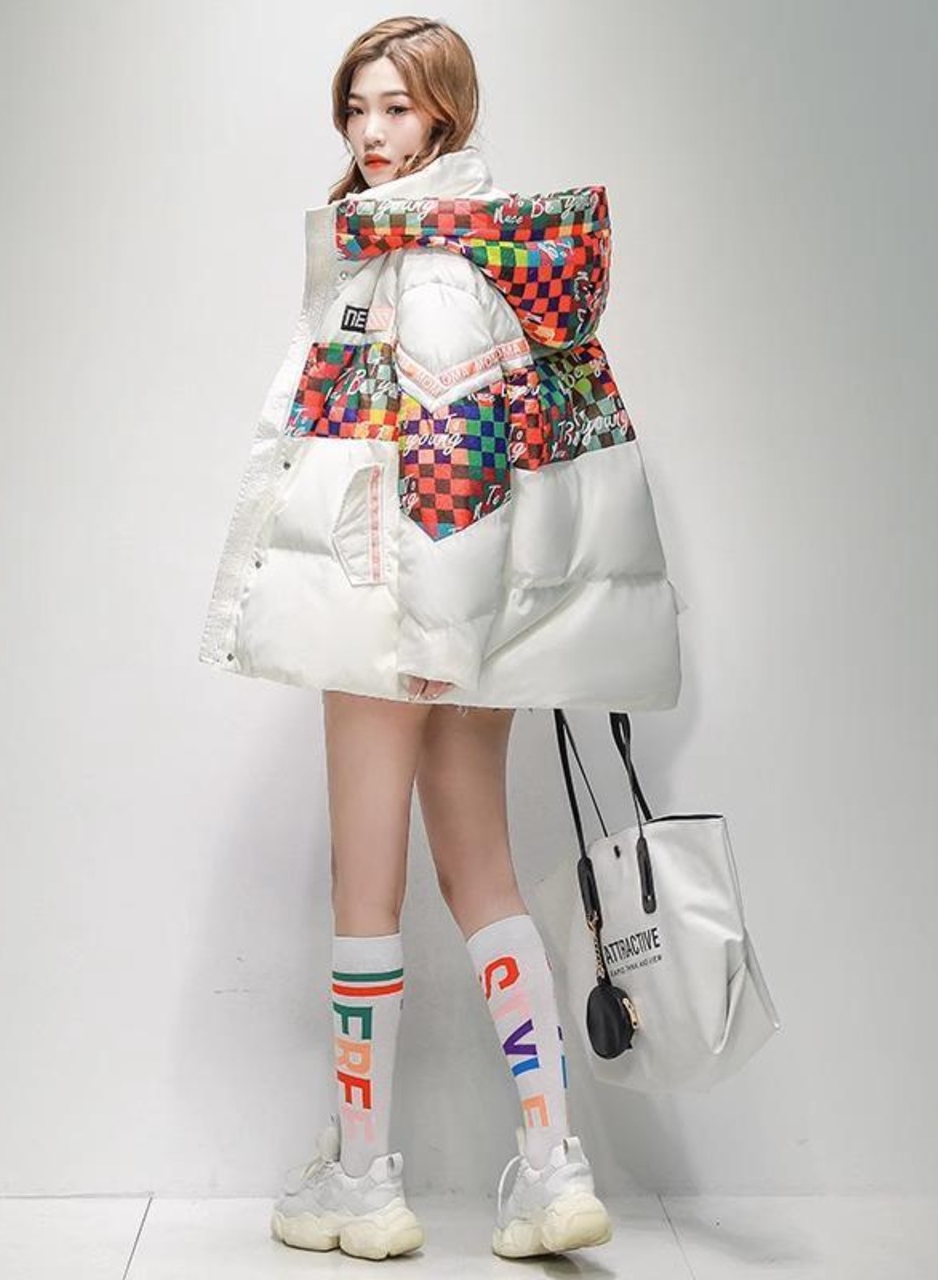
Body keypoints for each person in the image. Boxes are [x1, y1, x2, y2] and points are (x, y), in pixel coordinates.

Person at [196, 14, 685, 1263]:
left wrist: (429, 640)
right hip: (458, 620)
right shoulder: (475, 242)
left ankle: (363, 1179)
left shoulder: (426, 259)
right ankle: (550, 1165)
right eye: (356, 106)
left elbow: (454, 462)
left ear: (445, 116)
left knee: (367, 886)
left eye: (397, 107)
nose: (370, 131)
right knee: (484, 878)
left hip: (395, 614)